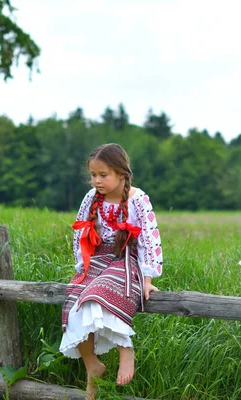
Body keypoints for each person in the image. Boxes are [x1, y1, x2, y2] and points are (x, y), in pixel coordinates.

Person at [60, 143, 163, 399]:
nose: (97, 181)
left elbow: (150, 239)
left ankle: (125, 348)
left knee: (99, 292)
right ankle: (91, 365)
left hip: (125, 258)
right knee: (74, 299)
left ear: (121, 174)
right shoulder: (91, 198)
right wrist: (82, 266)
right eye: (93, 175)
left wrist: (148, 278)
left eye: (103, 175)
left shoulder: (138, 199)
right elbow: (80, 233)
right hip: (96, 259)